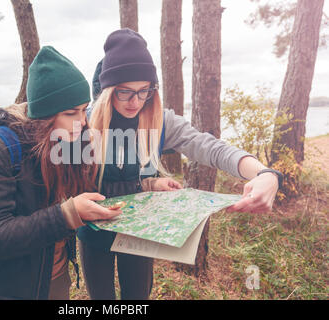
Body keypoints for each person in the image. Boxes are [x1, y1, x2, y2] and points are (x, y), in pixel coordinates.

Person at [77, 28, 283, 300]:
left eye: (145, 91)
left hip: (140, 233)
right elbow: (77, 183)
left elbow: (210, 147)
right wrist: (147, 183)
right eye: (125, 92)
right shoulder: (83, 123)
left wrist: (265, 173)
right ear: (108, 91)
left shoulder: (160, 120)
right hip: (93, 232)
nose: (136, 102)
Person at [0, 46, 121, 300]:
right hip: (9, 291)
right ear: (43, 116)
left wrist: (147, 187)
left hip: (57, 281)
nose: (82, 122)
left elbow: (93, 189)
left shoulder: (66, 143)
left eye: (84, 110)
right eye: (70, 113)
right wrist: (67, 215)